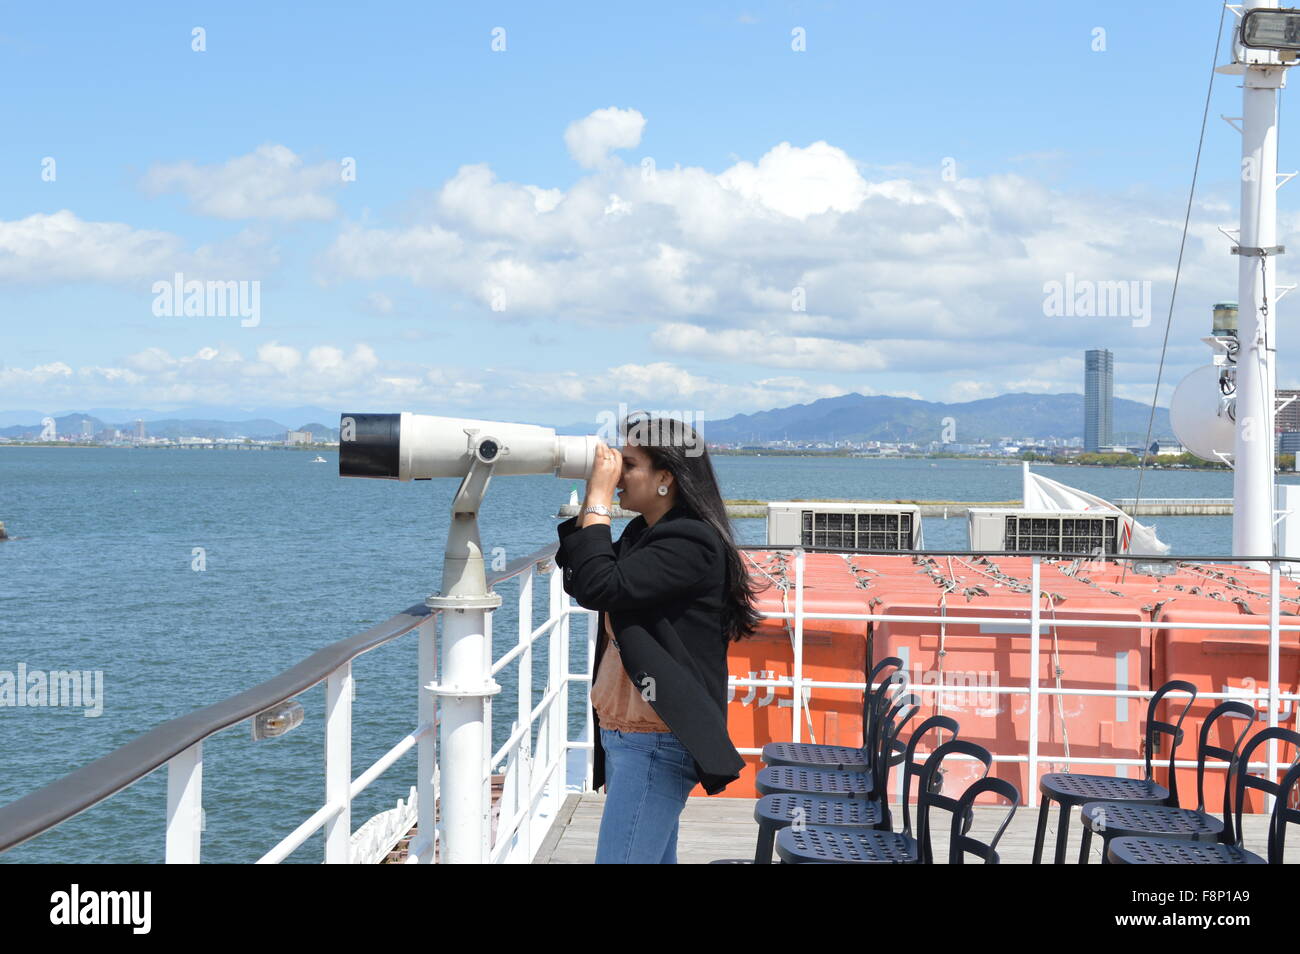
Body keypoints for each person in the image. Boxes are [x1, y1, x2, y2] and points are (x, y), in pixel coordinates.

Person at [554, 412, 764, 863]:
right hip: (631, 734)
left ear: (666, 476)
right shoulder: (644, 533)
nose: (617, 473)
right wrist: (597, 501)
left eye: (628, 464)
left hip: (656, 737)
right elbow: (580, 575)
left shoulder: (690, 541)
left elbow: (598, 586)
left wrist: (596, 497)